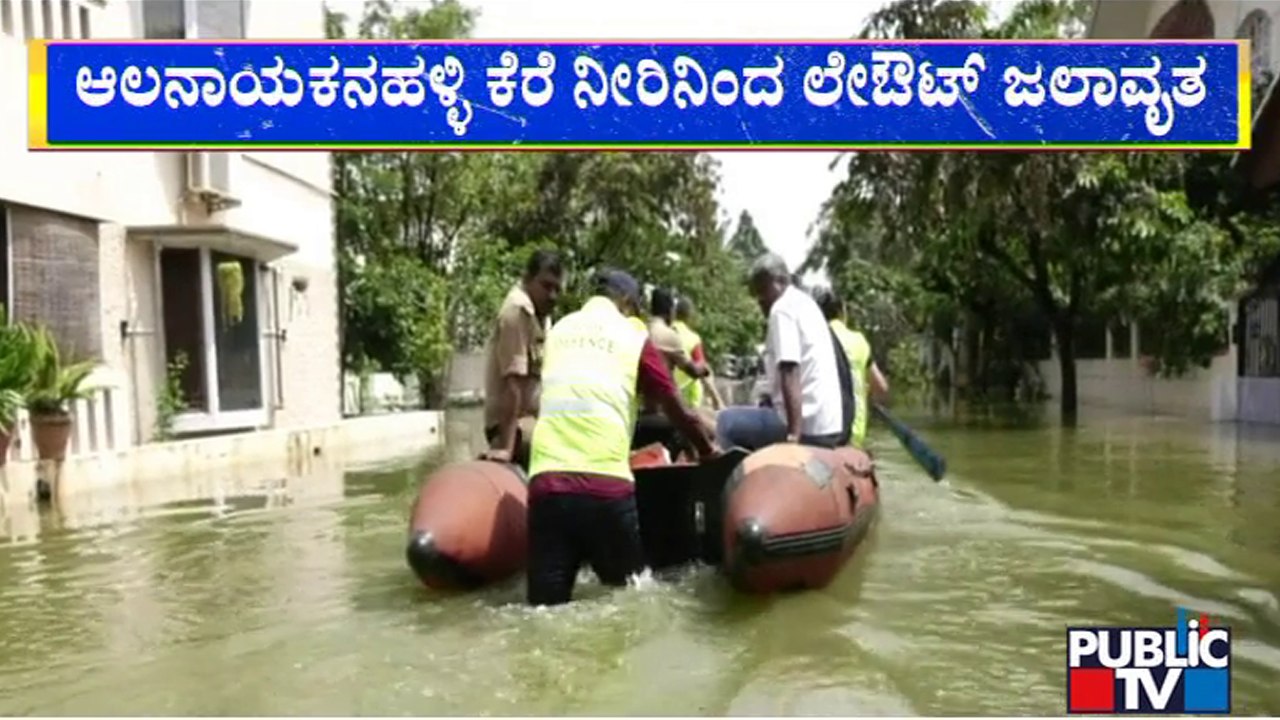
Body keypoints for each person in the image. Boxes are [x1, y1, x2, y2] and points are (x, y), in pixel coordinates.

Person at [525, 269, 718, 606]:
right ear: (627, 303)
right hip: (606, 489)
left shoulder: (558, 330)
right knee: (632, 598)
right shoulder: (631, 336)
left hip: (547, 486)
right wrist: (704, 448)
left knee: (544, 608)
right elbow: (671, 402)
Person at [715, 253, 851, 451]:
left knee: (726, 421)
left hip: (807, 426)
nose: (759, 299)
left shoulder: (782, 310)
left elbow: (790, 370)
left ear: (781, 281)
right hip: (829, 426)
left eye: (763, 290)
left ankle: (729, 478)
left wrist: (793, 436)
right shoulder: (807, 303)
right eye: (756, 293)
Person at [481, 249, 564, 468]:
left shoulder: (543, 318)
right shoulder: (517, 313)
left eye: (557, 289)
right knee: (564, 449)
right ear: (528, 280)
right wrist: (506, 448)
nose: (552, 295)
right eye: (546, 286)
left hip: (535, 420)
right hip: (512, 425)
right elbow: (513, 383)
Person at [632, 287, 711, 456]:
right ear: (670, 310)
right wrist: (704, 368)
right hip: (659, 412)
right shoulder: (668, 335)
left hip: (635, 413)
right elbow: (694, 371)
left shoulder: (638, 330)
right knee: (698, 431)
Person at [813, 287, 890, 449]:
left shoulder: (814, 339)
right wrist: (866, 393)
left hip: (821, 433)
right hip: (854, 436)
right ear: (842, 313)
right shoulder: (859, 340)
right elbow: (882, 388)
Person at [672, 297, 725, 412]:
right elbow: (703, 371)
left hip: (664, 397)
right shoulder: (693, 338)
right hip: (688, 401)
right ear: (690, 315)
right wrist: (717, 400)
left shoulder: (663, 333)